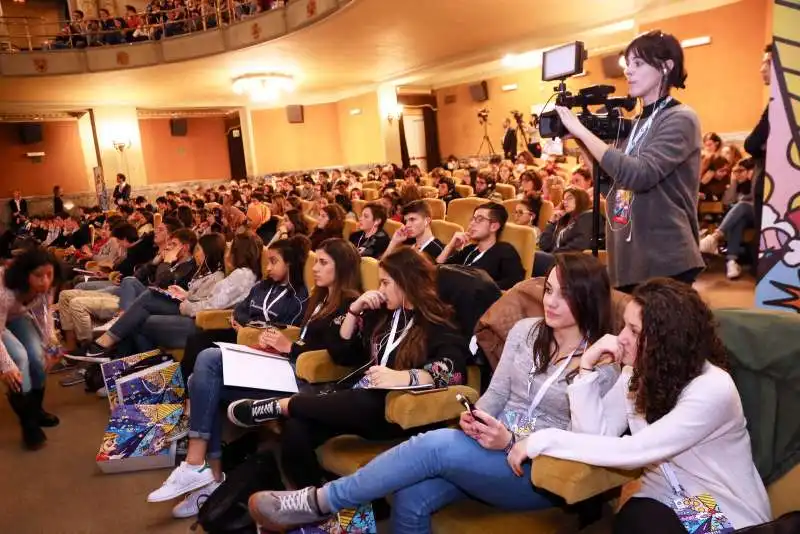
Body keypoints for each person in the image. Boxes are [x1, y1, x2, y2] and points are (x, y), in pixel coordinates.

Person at [245, 253, 619, 533]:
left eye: (564, 295)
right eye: (549, 290)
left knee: (437, 445)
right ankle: (322, 503)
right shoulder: (525, 331)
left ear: (588, 299)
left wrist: (513, 438)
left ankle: (320, 501)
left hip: (537, 471)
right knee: (411, 498)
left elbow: (584, 441)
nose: (550, 302)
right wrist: (477, 419)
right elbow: (495, 394)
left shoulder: (600, 362)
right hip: (488, 448)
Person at [509, 278, 771, 533]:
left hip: (717, 505)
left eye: (634, 331)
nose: (621, 337)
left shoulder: (712, 388)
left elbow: (635, 451)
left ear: (666, 340)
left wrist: (541, 439)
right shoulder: (636, 375)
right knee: (634, 520)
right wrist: (586, 368)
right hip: (670, 497)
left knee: (640, 521)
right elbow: (593, 438)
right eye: (624, 326)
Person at [145, 238, 361, 518]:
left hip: (304, 383)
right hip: (285, 367)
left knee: (209, 362)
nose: (315, 268)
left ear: (341, 267)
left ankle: (201, 467)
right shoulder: (321, 299)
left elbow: (336, 354)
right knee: (204, 377)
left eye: (323, 263)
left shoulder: (349, 304)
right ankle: (208, 474)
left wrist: (289, 347)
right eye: (315, 261)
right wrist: (280, 344)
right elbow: (302, 339)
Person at [227, 247, 470, 491]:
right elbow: (342, 353)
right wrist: (354, 311)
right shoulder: (383, 315)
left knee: (369, 397)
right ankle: (319, 505)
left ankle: (283, 405)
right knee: (296, 429)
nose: (381, 290)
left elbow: (453, 370)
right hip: (359, 401)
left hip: (397, 410)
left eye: (385, 283)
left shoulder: (438, 322)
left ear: (407, 282)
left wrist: (403, 377)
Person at [553, 30, 704, 292]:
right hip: (628, 259)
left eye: (638, 63)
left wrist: (582, 131)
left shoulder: (681, 118)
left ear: (666, 67)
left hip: (665, 260)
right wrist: (579, 140)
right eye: (628, 64)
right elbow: (609, 181)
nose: (628, 71)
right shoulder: (634, 125)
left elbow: (639, 175)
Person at [0, 248, 63, 450]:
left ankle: (36, 410)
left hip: (17, 316)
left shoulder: (48, 287)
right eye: (38, 276)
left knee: (37, 356)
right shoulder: (5, 290)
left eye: (49, 275)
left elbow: (44, 316)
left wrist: (51, 346)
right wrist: (6, 366)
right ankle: (28, 423)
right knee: (18, 358)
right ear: (25, 274)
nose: (45, 281)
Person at [437, 202, 525, 290]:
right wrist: (450, 246)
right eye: (472, 219)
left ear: (494, 226)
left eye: (479, 219)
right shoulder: (469, 250)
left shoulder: (505, 251)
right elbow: (436, 271)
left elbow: (515, 284)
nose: (472, 223)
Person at [698, 157, 757, 279]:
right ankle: (731, 262)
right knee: (739, 221)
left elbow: (752, 202)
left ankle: (714, 237)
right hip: (744, 217)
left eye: (741, 171)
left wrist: (753, 177)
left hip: (757, 215)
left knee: (743, 205)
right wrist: (734, 182)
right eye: (735, 171)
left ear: (751, 171)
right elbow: (728, 200)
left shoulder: (756, 183)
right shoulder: (739, 184)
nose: (737, 174)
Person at [535, 187, 594, 276]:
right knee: (531, 256)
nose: (565, 202)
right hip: (557, 258)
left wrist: (552, 254)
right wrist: (551, 222)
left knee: (534, 257)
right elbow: (544, 244)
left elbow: (579, 246)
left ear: (581, 199)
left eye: (569, 198)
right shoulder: (564, 219)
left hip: (571, 261)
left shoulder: (588, 217)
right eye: (564, 199)